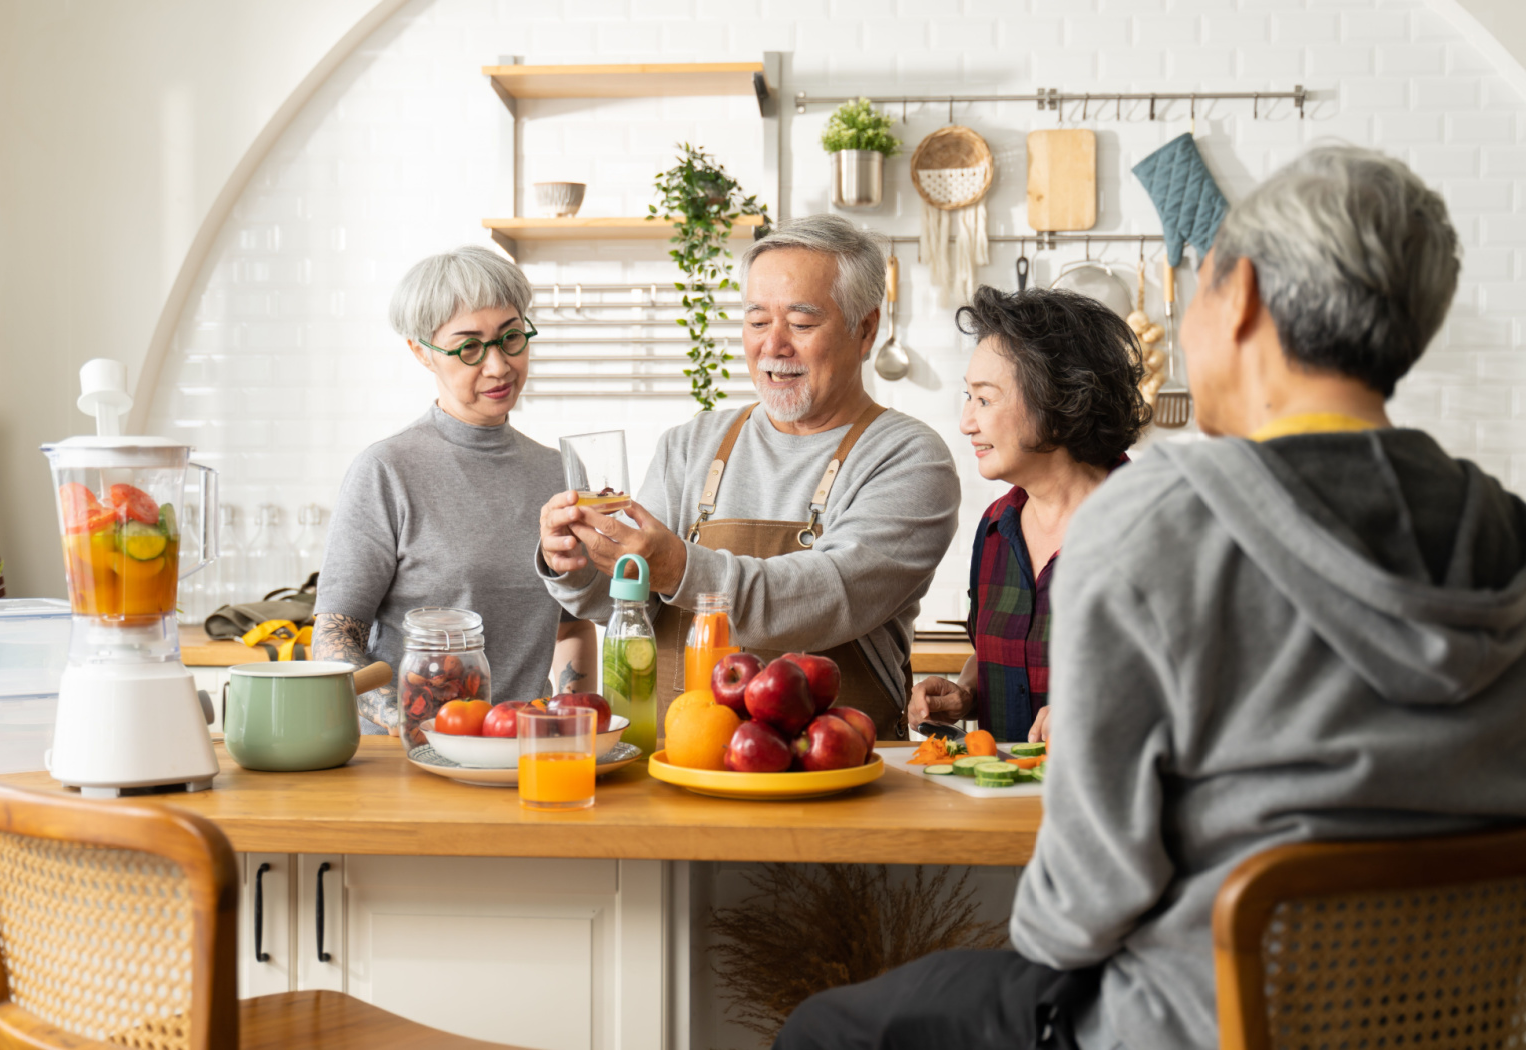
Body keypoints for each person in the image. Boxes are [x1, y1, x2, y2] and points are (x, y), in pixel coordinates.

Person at [775, 145, 1526, 1050]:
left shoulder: (1156, 524)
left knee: (826, 1028)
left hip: (1187, 1021)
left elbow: (1073, 915)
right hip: (1446, 1018)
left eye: (1195, 289)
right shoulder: (1506, 526)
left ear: (1239, 295)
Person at [537, 215, 960, 738]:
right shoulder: (692, 443)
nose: (773, 346)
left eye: (801, 324)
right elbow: (629, 602)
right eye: (757, 321)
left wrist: (677, 565)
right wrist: (578, 566)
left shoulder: (909, 457)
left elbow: (825, 597)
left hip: (833, 774)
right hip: (679, 760)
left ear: (866, 329)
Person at [314, 246, 595, 733]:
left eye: (511, 338)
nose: (498, 366)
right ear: (421, 352)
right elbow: (336, 636)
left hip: (522, 749)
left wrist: (571, 722)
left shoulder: (561, 474)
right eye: (469, 347)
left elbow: (572, 624)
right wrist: (403, 720)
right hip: (411, 757)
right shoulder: (386, 470)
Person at [908, 286, 1150, 744]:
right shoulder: (996, 528)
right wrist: (965, 693)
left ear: (1058, 402)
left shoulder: (1156, 526)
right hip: (1001, 809)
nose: (966, 422)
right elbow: (1004, 655)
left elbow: (1205, 685)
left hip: (1114, 805)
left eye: (985, 399)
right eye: (968, 397)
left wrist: (1102, 707)